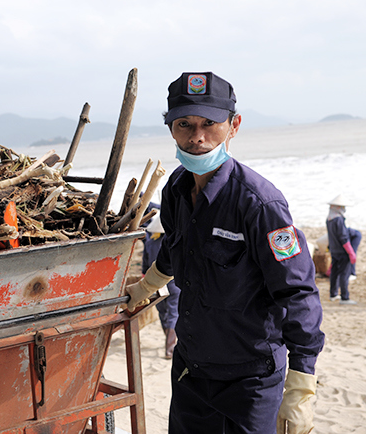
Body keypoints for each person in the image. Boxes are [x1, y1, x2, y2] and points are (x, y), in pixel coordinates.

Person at [124, 72, 324, 434]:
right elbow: (175, 247)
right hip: (191, 370)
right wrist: (146, 285)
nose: (197, 137)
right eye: (184, 124)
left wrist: (302, 386)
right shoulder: (175, 190)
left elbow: (298, 290)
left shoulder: (260, 204)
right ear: (170, 128)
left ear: (234, 126)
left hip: (251, 380)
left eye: (209, 124)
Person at [141, 210, 179, 359]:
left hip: (156, 283)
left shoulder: (151, 241)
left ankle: (169, 342)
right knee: (172, 312)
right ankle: (170, 348)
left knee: (162, 310)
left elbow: (145, 263)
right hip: (173, 282)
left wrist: (145, 278)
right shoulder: (174, 241)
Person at [325, 194, 361, 304]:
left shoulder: (329, 219)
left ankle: (333, 294)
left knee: (334, 272)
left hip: (334, 250)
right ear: (338, 207)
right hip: (342, 251)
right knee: (344, 274)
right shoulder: (339, 220)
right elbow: (343, 237)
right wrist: (351, 252)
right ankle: (344, 297)